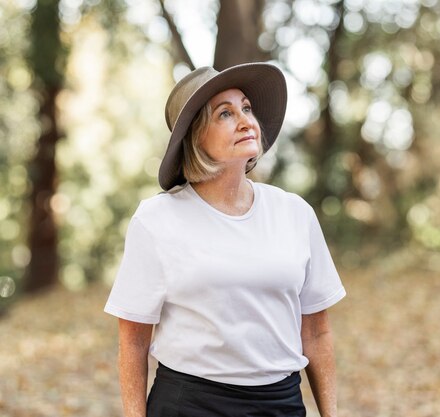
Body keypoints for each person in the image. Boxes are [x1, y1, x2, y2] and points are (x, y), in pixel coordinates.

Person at [104, 62, 346, 417]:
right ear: (196, 135)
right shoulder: (156, 220)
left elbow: (316, 333)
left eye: (246, 108)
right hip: (190, 405)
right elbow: (134, 341)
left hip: (281, 405)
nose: (247, 120)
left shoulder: (294, 213)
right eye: (225, 114)